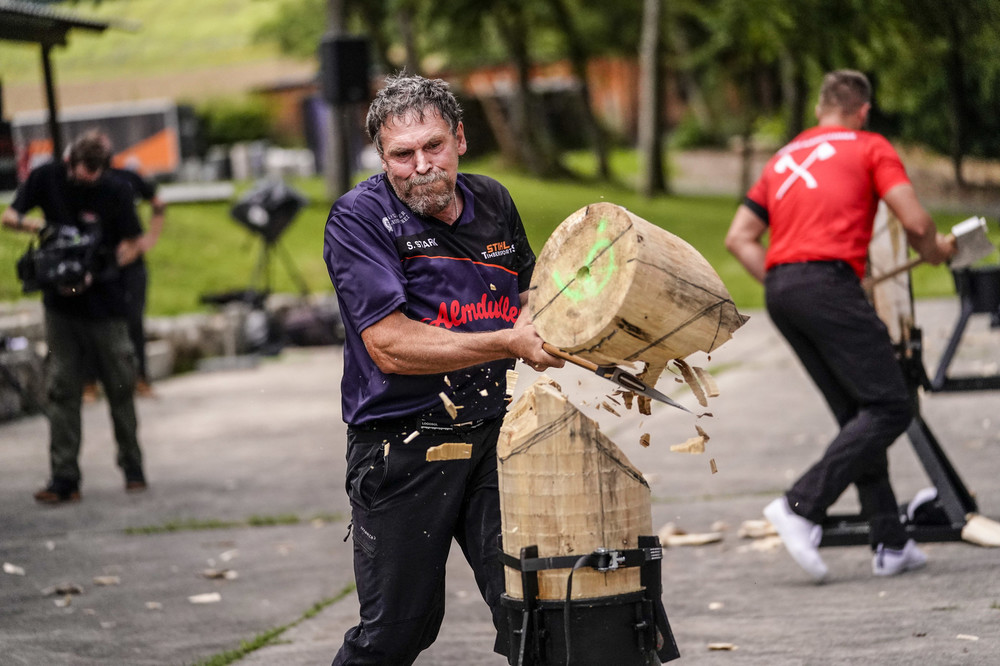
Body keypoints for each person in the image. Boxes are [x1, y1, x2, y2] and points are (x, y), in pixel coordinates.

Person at [322, 73, 563, 665]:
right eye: (402, 155)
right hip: (401, 448)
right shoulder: (359, 220)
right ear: (382, 157)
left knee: (535, 609)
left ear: (460, 137)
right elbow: (391, 345)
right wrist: (510, 342)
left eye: (433, 146)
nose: (421, 165)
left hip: (493, 439)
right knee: (398, 632)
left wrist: (571, 320)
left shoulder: (494, 201)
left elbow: (530, 294)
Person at [725, 70, 955, 582]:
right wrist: (935, 251)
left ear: (818, 110)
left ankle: (890, 541)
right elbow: (915, 223)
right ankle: (800, 506)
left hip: (782, 292)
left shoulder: (783, 158)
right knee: (893, 404)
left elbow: (739, 237)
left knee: (859, 413)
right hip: (828, 284)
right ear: (863, 111)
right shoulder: (871, 147)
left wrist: (788, 282)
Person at [2, 130, 148, 503]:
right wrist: (44, 229)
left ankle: (133, 468)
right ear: (70, 163)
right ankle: (64, 479)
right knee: (62, 387)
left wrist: (97, 268)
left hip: (106, 306)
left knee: (120, 386)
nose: (88, 183)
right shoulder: (45, 178)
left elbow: (133, 243)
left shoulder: (115, 190)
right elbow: (10, 215)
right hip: (60, 307)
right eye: (83, 175)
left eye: (94, 176)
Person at [82, 156, 166, 402]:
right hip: (99, 264)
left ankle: (140, 379)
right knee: (92, 323)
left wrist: (150, 239)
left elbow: (158, 202)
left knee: (133, 322)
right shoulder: (83, 186)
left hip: (130, 265)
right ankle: (90, 383)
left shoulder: (125, 179)